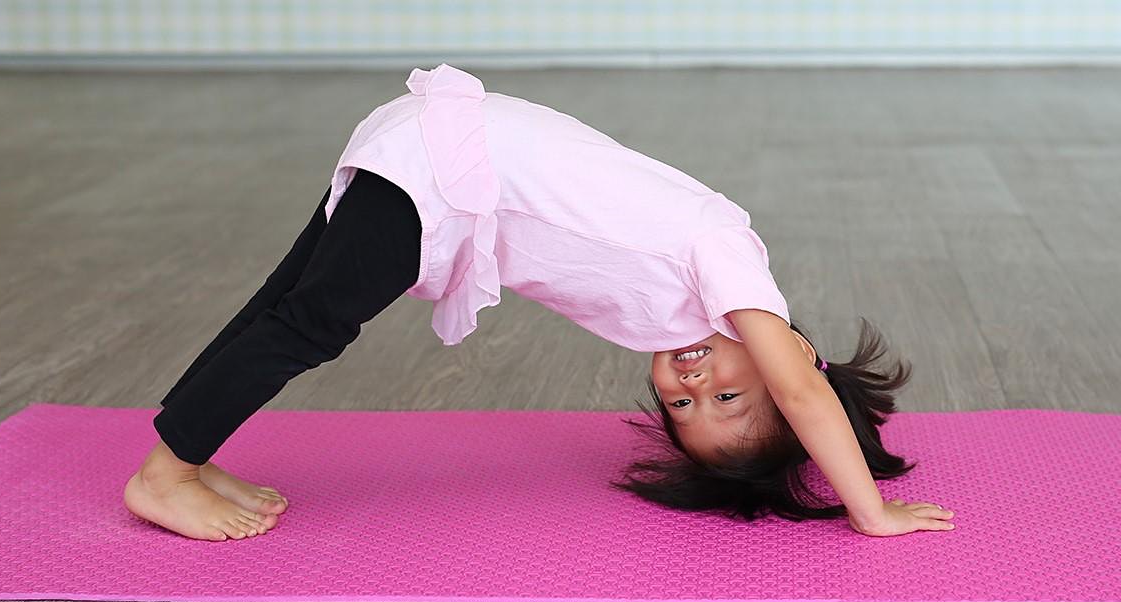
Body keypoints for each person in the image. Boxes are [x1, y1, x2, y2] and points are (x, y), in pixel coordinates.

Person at [124, 63, 956, 542]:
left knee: (286, 308)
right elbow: (806, 395)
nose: (690, 381)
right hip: (448, 175)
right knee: (305, 324)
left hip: (433, 150)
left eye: (681, 403)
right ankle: (164, 474)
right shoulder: (735, 266)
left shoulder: (692, 299)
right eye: (729, 393)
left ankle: (184, 455)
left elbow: (790, 391)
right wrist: (869, 510)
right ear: (794, 359)